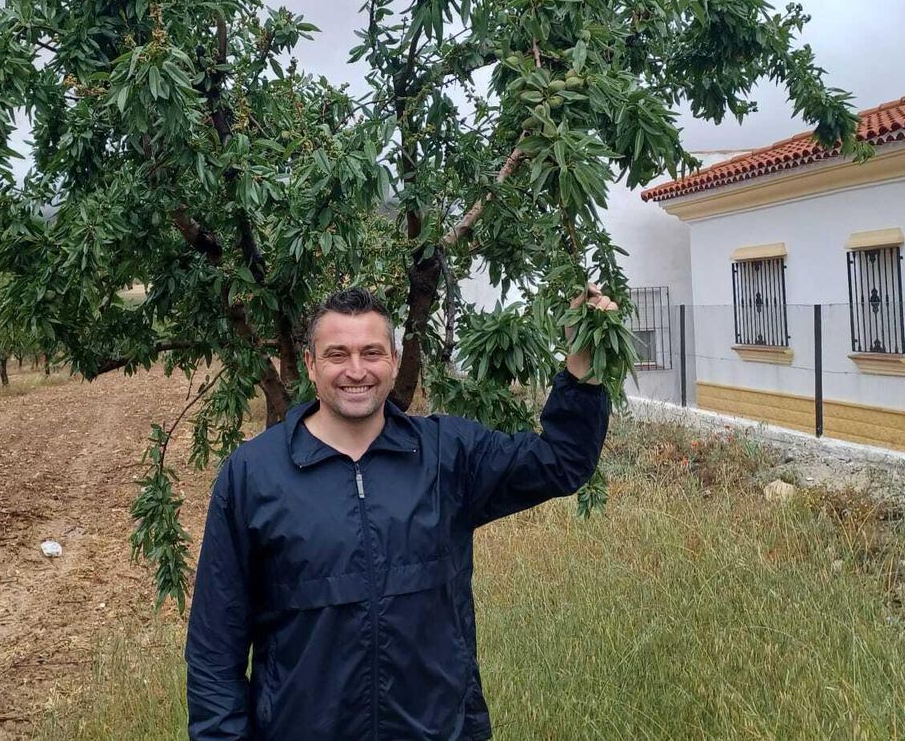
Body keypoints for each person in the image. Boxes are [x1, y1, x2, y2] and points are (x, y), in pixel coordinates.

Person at [186, 286, 615, 740]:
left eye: (371, 352)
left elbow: (561, 461)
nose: (356, 370)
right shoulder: (255, 474)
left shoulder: (446, 455)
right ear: (311, 365)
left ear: (393, 360)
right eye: (337, 354)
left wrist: (582, 365)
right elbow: (216, 648)